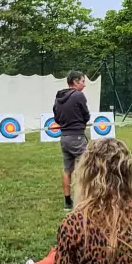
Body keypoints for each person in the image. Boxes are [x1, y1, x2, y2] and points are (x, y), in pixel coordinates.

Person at [53, 71, 90, 211]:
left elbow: (56, 118)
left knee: (67, 169)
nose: (84, 85)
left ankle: (67, 202)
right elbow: (86, 115)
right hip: (77, 137)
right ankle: (84, 199)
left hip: (64, 138)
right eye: (82, 81)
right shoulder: (78, 95)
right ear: (75, 82)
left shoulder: (59, 97)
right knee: (85, 168)